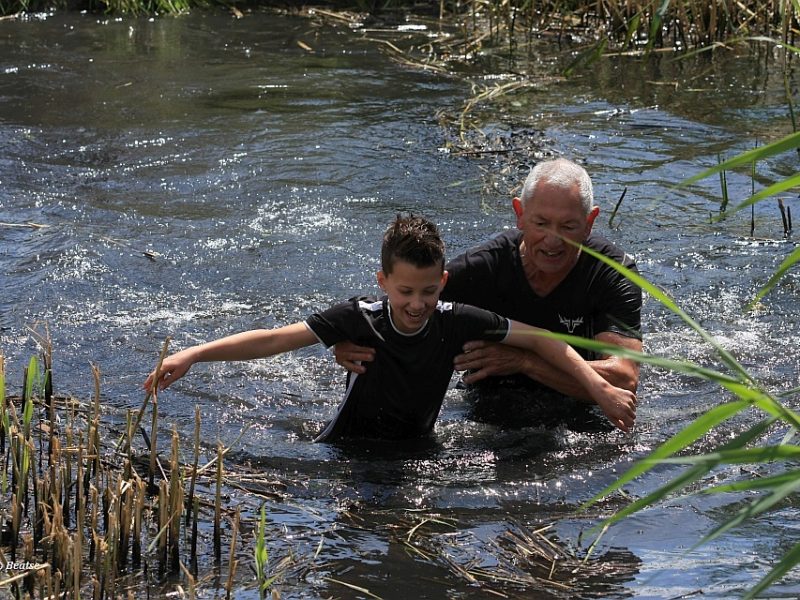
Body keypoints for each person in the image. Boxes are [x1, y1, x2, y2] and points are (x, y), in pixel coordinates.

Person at [143, 215, 636, 442]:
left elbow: (539, 338)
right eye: (404, 293)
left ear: (443, 283)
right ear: (383, 283)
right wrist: (192, 354)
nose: (417, 304)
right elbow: (276, 339)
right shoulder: (361, 316)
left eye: (428, 292)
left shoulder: (456, 317)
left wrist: (599, 388)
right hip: (346, 450)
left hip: (420, 447)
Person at [334, 159, 642, 427]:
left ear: (590, 223)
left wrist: (525, 362)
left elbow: (623, 379)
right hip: (489, 407)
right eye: (541, 223)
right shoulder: (481, 269)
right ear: (519, 214)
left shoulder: (612, 272)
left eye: (569, 227)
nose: (553, 242)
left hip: (578, 411)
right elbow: (403, 305)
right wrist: (350, 340)